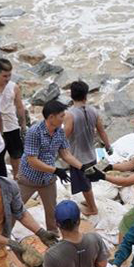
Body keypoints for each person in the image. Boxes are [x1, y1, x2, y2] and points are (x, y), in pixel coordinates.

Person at [18, 99, 90, 240]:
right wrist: (56, 170)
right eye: (61, 116)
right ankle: (4, 236)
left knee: (51, 211)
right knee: (15, 208)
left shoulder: (59, 132)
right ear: (51, 117)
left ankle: (53, 237)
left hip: (48, 180)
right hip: (28, 178)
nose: (64, 118)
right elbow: (32, 161)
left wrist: (83, 167)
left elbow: (65, 154)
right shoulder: (34, 132)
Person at [64, 80, 112, 217]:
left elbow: (65, 136)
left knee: (84, 185)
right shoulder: (94, 111)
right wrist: (108, 145)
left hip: (77, 157)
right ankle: (90, 203)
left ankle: (92, 208)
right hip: (91, 154)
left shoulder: (70, 114)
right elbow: (102, 131)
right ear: (86, 95)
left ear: (71, 95)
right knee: (87, 181)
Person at [0, 59, 26, 178]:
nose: (7, 78)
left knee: (16, 155)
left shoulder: (14, 87)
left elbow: (19, 107)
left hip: (12, 125)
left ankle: (17, 177)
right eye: (4, 76)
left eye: (9, 75)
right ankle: (0, 178)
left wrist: (23, 124)